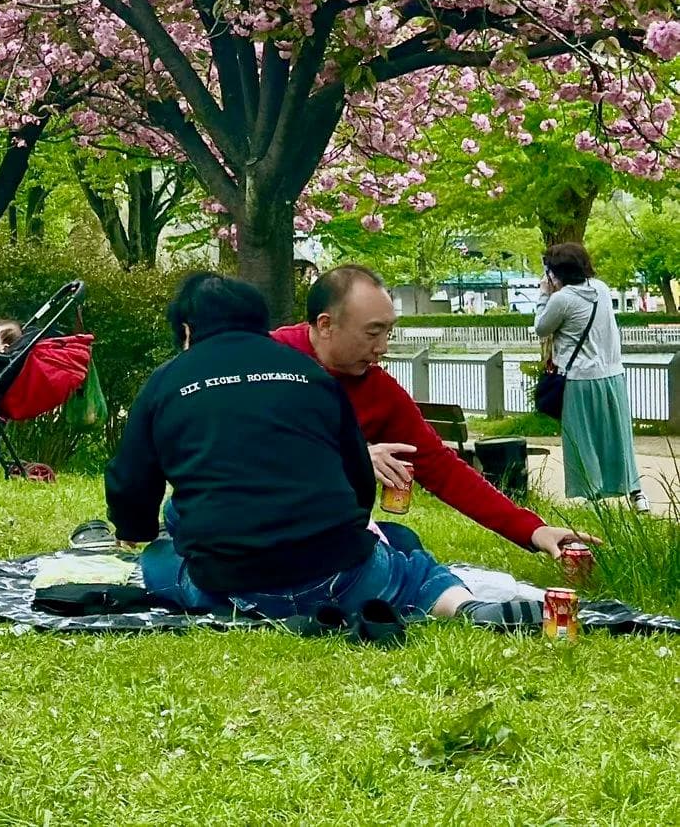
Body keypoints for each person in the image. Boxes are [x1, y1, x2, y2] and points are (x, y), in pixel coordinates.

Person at [111, 273, 533, 629]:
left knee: (161, 554)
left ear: (187, 330)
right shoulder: (311, 376)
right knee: (414, 570)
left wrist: (136, 529)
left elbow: (131, 479)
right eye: (375, 332)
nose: (382, 346)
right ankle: (460, 606)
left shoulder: (166, 382)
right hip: (342, 571)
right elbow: (357, 479)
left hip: (229, 584)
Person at [273, 265, 595, 561]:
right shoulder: (263, 360)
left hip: (329, 532)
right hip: (257, 531)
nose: (383, 347)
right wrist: (351, 458)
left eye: (389, 331)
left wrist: (532, 530)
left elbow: (441, 467)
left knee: (405, 546)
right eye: (373, 333)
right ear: (326, 325)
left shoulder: (378, 389)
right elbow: (243, 449)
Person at [537, 242, 640, 504]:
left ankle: (591, 492)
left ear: (555, 273)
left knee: (582, 438)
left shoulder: (561, 299)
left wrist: (543, 295)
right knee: (617, 437)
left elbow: (541, 327)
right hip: (612, 375)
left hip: (579, 379)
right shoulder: (601, 289)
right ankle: (634, 492)